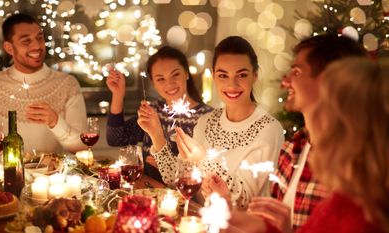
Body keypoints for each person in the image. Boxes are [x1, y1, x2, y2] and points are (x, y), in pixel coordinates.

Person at [227, 58, 389, 233]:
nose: (313, 119)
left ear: (350, 127)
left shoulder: (359, 217)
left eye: (322, 108)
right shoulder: (347, 198)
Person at [247, 34, 369, 231]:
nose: (284, 82)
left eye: (296, 72)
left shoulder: (359, 169)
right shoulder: (289, 151)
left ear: (328, 81)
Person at [152, 36, 284, 208]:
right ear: (214, 75)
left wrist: (203, 160)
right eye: (223, 75)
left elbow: (243, 200)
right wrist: (155, 134)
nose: (232, 84)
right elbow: (175, 179)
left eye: (242, 75)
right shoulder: (207, 121)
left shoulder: (269, 129)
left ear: (255, 75)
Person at [0, 13, 87, 159]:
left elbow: (81, 147)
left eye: (40, 38)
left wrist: (55, 122)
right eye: (26, 41)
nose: (37, 46)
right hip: (3, 179)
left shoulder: (67, 84)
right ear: (9, 48)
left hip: (51, 179)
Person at [106, 46, 213, 182]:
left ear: (186, 74)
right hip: (149, 191)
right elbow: (115, 139)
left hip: (186, 197)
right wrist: (117, 94)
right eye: (160, 79)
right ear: (153, 83)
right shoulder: (152, 110)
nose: (169, 83)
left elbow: (209, 170)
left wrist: (167, 165)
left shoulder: (208, 117)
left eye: (175, 74)